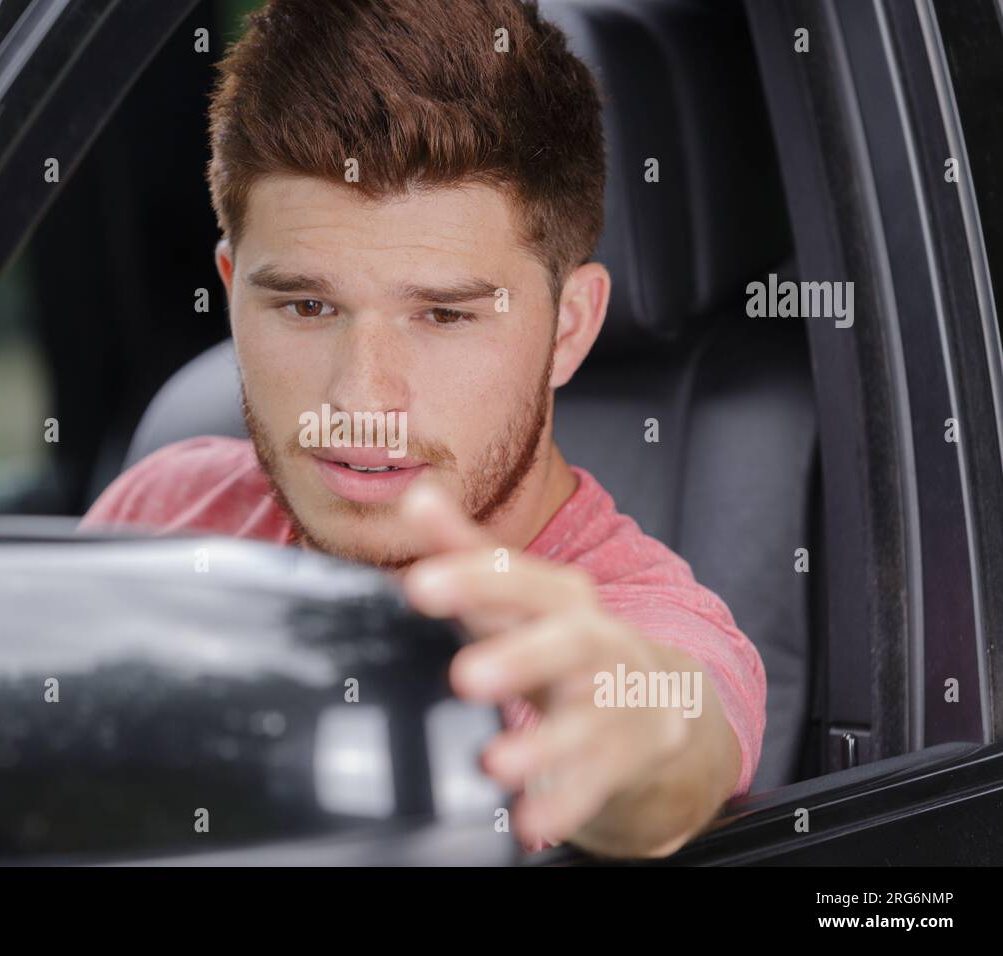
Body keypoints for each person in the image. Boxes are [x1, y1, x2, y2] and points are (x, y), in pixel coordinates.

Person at [82, 0, 765, 858]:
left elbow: (672, 736)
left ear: (569, 327)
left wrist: (625, 735)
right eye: (305, 303)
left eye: (444, 315)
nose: (363, 399)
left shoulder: (632, 628)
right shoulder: (165, 509)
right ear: (229, 289)